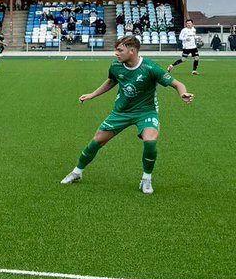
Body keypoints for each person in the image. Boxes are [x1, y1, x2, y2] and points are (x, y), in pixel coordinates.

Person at [60, 35, 193, 195]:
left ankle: (146, 179)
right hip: (121, 111)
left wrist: (183, 94)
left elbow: (177, 84)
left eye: (120, 50)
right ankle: (77, 172)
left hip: (146, 111)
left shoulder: (150, 67)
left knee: (150, 141)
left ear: (132, 51)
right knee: (97, 141)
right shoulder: (116, 66)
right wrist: (92, 95)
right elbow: (111, 81)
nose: (116, 53)